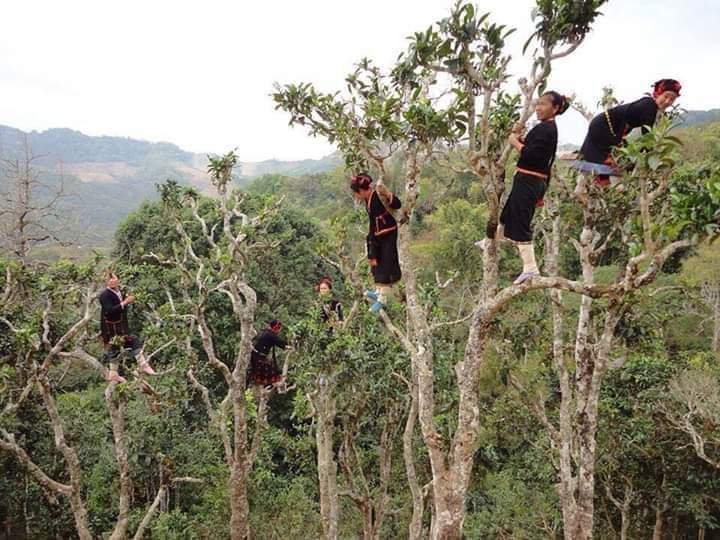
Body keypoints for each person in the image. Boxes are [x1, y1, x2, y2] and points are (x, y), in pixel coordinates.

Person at [476, 91, 570, 285]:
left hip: (530, 180)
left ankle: (530, 268)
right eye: (537, 104)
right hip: (529, 180)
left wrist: (513, 141)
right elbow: (531, 146)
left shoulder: (547, 129)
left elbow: (530, 154)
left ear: (555, 108)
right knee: (508, 214)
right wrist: (517, 134)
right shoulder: (545, 128)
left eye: (543, 104)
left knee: (520, 223)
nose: (538, 108)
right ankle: (490, 242)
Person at [572, 78, 681, 185]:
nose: (667, 101)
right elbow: (647, 136)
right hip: (605, 126)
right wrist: (651, 158)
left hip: (607, 126)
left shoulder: (651, 106)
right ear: (658, 94)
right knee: (611, 159)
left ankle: (586, 187)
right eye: (665, 96)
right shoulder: (649, 107)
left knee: (602, 157)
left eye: (672, 99)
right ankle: (604, 188)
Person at [350, 172, 402, 313]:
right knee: (375, 261)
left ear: (360, 191)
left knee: (386, 264)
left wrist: (387, 193)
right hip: (377, 234)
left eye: (356, 193)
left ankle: (382, 299)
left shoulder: (378, 195)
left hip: (388, 233)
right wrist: (371, 242)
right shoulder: (368, 200)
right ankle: (378, 292)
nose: (356, 197)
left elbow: (397, 204)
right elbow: (373, 222)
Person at [99, 271, 156, 383]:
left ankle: (113, 374)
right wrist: (125, 303)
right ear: (106, 282)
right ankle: (143, 365)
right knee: (129, 342)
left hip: (121, 324)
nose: (112, 281)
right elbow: (109, 311)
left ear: (118, 280)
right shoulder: (105, 295)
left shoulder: (120, 291)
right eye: (109, 279)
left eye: (114, 278)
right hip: (112, 327)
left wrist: (130, 299)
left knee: (116, 347)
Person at [248, 319, 287, 387]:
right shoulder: (271, 335)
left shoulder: (265, 332)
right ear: (276, 327)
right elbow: (281, 343)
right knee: (272, 373)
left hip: (255, 356)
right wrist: (290, 346)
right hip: (259, 358)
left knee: (268, 371)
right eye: (279, 329)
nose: (279, 331)